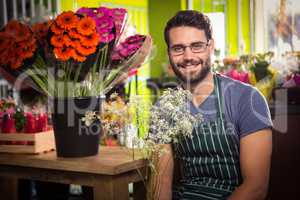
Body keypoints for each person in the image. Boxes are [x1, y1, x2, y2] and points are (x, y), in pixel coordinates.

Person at [152, 10, 273, 200]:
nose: (188, 56)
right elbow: (162, 183)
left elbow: (256, 187)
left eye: (197, 46)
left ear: (211, 47)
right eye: (178, 48)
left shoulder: (248, 99)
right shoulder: (164, 107)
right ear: (169, 53)